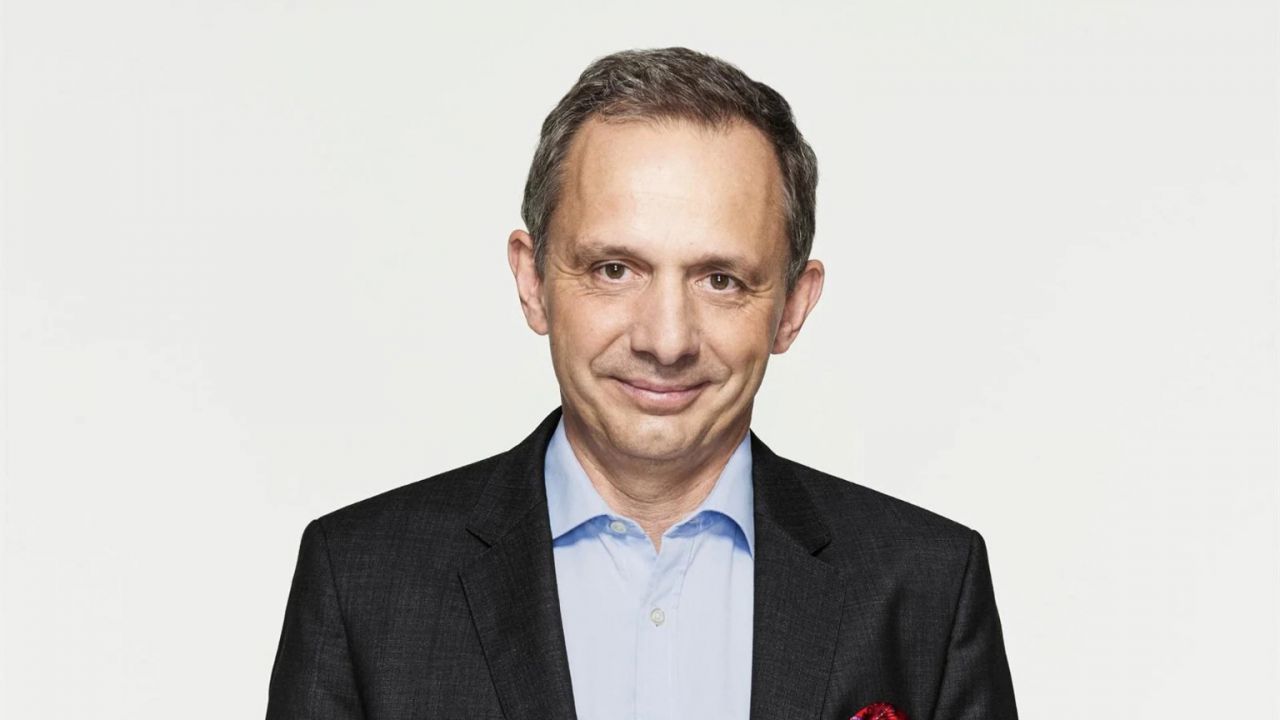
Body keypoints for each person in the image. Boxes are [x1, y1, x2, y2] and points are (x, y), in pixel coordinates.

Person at [266, 46, 1018, 720]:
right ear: (532, 281)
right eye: (614, 270)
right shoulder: (361, 583)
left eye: (721, 280)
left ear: (792, 306)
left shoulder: (928, 588)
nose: (666, 340)